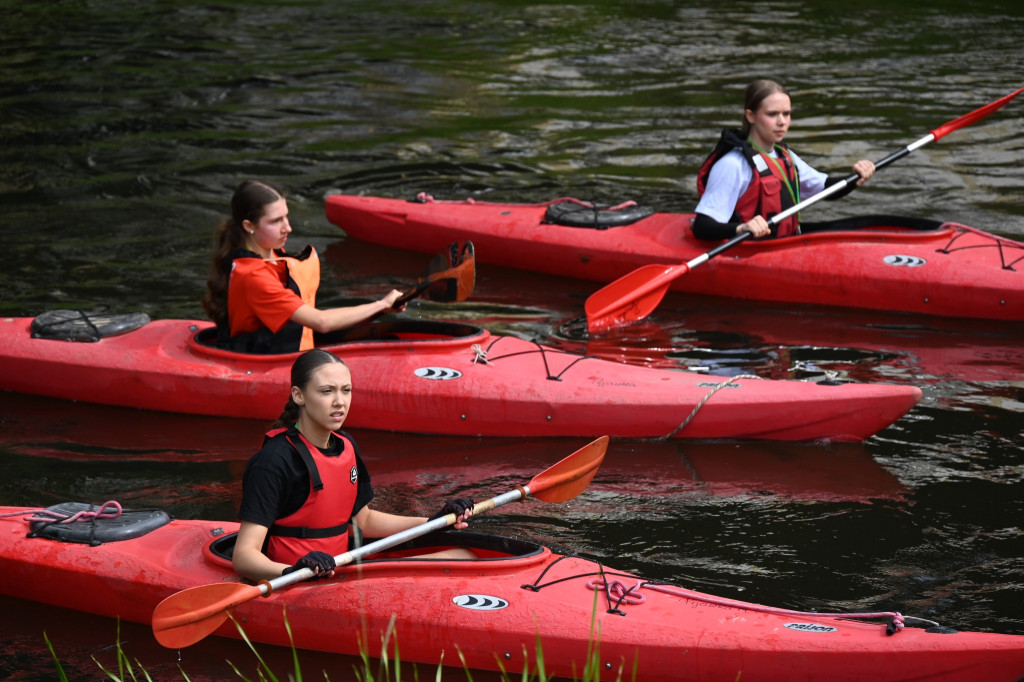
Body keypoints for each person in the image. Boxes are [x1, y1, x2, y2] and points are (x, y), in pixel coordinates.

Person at [233, 348, 476, 582]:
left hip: (342, 571)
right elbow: (244, 556)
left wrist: (434, 521)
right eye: (327, 391)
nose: (340, 402)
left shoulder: (346, 444)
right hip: (297, 580)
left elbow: (364, 521)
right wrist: (293, 571)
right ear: (299, 396)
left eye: (346, 390)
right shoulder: (273, 461)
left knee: (465, 555)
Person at [202, 179, 406, 354]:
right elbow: (321, 322)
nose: (288, 227)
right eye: (275, 221)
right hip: (269, 361)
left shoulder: (273, 255)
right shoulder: (253, 277)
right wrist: (381, 305)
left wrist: (381, 310)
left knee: (390, 340)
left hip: (292, 347)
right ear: (249, 226)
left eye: (286, 216)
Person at [693, 79, 876, 240]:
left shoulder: (784, 156)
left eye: (786, 114)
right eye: (772, 114)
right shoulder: (733, 164)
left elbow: (826, 189)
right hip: (749, 252)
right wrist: (741, 228)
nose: (782, 122)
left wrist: (854, 178)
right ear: (751, 116)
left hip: (785, 243)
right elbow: (702, 226)